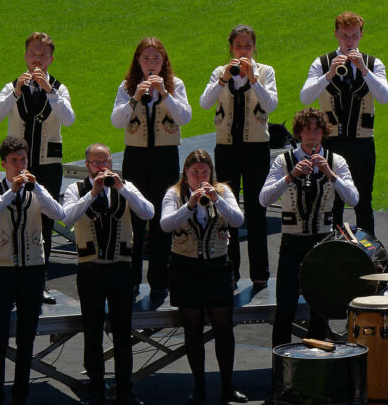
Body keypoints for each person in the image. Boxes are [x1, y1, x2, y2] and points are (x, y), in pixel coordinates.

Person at [0, 136, 65, 405]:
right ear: (3, 164)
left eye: (23, 160)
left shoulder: (36, 190)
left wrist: (36, 187)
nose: (20, 165)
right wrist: (9, 193)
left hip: (32, 269)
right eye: (15, 161)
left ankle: (21, 397)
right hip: (0, 270)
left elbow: (60, 214)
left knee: (27, 336)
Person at [62, 143, 155, 405]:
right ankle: (96, 388)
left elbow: (148, 212)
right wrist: (93, 192)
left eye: (106, 163)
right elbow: (67, 217)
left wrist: (121, 188)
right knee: (92, 329)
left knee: (123, 330)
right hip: (90, 269)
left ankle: (125, 388)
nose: (102, 168)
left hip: (120, 268)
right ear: (87, 165)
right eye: (96, 163)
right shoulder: (75, 190)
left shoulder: (125, 186)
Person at [0, 32, 76, 304]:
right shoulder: (11, 86)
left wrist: (49, 92)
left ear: (50, 59)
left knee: (44, 225)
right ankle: (14, 281)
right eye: (33, 54)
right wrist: (15, 93)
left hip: (48, 166)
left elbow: (69, 120)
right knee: (15, 221)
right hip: (17, 167)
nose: (37, 59)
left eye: (43, 55)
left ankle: (40, 283)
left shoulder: (59, 88)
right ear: (25, 56)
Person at [259, 108, 358, 347]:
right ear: (299, 133)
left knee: (319, 311)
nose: (312, 136)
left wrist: (330, 174)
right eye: (307, 130)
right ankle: (280, 371)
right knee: (285, 309)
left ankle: (316, 369)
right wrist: (290, 176)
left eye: (316, 130)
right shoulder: (284, 161)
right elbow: (264, 199)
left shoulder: (336, 161)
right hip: (292, 243)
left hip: (322, 244)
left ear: (323, 133)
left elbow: (354, 199)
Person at [159, 150, 247, 404]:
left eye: (204, 172)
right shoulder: (173, 194)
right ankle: (199, 386)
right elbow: (165, 224)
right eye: (195, 172)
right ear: (186, 174)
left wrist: (216, 200)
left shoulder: (223, 191)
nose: (200, 176)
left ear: (211, 172)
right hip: (185, 268)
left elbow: (238, 220)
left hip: (217, 267)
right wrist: (190, 205)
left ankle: (228, 385)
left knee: (223, 328)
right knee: (193, 329)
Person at [111, 38, 192, 300]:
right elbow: (117, 121)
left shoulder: (175, 85)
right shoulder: (126, 87)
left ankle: (159, 278)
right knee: (134, 217)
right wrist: (135, 97)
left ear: (164, 61)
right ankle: (132, 277)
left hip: (166, 156)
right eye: (145, 59)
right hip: (135, 156)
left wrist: (165, 94)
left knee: (161, 215)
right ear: (137, 61)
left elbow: (184, 117)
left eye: (155, 58)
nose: (150, 64)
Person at [199, 25, 279, 288]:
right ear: (231, 47)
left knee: (257, 211)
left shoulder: (266, 72)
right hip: (226, 149)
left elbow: (271, 105)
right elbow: (205, 103)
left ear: (254, 47)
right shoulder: (219, 72)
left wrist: (253, 78)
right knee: (226, 210)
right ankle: (229, 272)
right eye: (238, 46)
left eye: (247, 46)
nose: (243, 51)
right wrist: (223, 79)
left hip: (256, 148)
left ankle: (259, 274)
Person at [299, 11, 388, 235]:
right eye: (344, 36)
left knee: (363, 199)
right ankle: (334, 246)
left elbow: (384, 96)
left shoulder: (373, 63)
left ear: (361, 35)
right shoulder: (321, 63)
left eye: (353, 36)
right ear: (336, 35)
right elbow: (305, 97)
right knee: (332, 199)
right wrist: (329, 74)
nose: (349, 42)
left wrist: (364, 70)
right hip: (332, 143)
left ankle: (368, 249)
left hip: (362, 142)